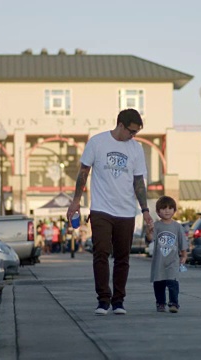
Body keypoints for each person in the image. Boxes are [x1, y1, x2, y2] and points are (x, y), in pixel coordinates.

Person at [67, 108, 154, 316]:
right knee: (101, 253)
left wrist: (145, 210)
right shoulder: (97, 143)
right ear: (121, 125)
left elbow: (138, 183)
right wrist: (76, 201)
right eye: (131, 131)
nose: (133, 136)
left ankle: (118, 301)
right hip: (101, 210)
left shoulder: (136, 149)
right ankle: (103, 300)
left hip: (126, 211)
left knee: (123, 257)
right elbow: (83, 173)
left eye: (136, 133)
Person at [146, 196, 188, 313]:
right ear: (158, 211)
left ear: (174, 210)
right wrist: (149, 230)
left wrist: (184, 255)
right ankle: (160, 303)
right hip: (159, 261)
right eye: (163, 208)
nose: (167, 211)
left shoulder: (177, 226)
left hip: (173, 261)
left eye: (170, 208)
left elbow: (182, 242)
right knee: (158, 284)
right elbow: (151, 238)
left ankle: (174, 303)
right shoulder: (157, 225)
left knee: (173, 283)